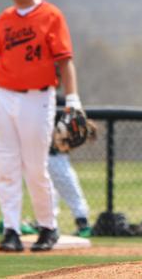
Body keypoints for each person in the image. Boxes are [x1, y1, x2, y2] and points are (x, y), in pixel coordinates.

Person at [0, 0, 84, 252]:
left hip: (39, 97)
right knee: (4, 166)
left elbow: (65, 61)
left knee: (35, 166)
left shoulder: (50, 15)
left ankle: (48, 227)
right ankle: (10, 229)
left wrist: (72, 99)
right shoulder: (4, 19)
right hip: (6, 97)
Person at [48, 95, 92, 238]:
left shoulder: (60, 101)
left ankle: (81, 223)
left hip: (56, 156)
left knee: (66, 187)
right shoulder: (42, 101)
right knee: (53, 190)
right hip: (48, 156)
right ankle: (48, 225)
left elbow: (74, 120)